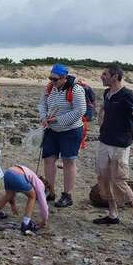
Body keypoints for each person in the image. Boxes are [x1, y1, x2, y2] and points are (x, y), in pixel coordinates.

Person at [93, 64, 133, 232]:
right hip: (104, 142)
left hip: (120, 146)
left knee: (120, 182)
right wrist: (101, 116)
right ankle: (113, 214)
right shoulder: (107, 93)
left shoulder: (127, 96)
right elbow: (105, 106)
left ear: (115, 76)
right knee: (104, 178)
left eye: (105, 74)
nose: (101, 77)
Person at [38, 64, 86, 208]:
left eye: (55, 79)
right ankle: (50, 191)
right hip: (51, 130)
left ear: (64, 78)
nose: (52, 81)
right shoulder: (49, 88)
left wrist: (58, 119)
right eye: (50, 78)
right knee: (48, 159)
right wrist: (43, 116)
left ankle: (67, 195)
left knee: (68, 161)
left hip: (71, 130)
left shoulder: (76, 89)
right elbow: (42, 104)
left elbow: (80, 111)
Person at [0, 165, 49, 234]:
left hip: (8, 173)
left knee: (8, 195)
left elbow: (12, 194)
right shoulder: (40, 184)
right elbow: (43, 203)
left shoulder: (31, 176)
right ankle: (26, 223)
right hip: (18, 175)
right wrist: (44, 220)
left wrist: (13, 205)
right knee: (32, 196)